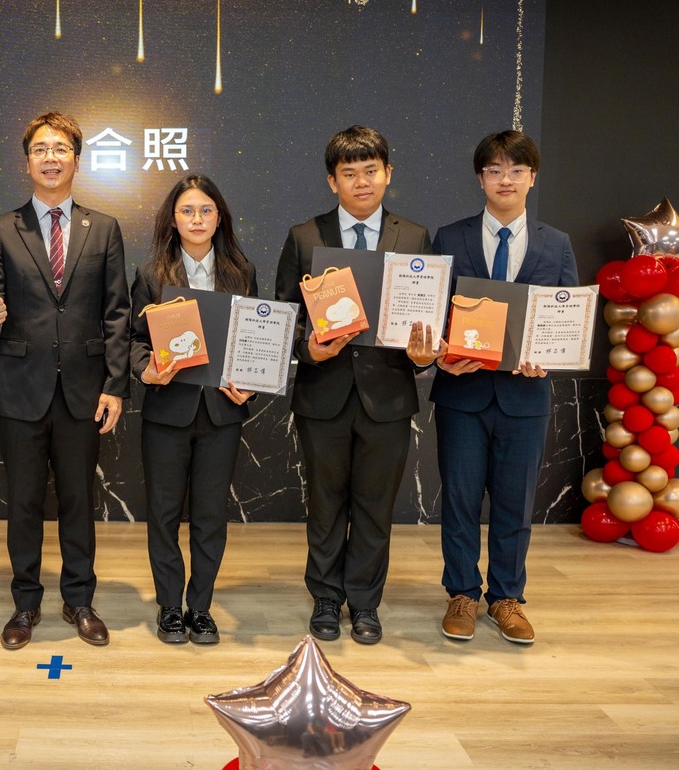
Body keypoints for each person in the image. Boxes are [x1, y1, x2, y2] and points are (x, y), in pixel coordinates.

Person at [0, 112, 131, 650]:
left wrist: (115, 385)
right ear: (27, 161)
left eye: (60, 148)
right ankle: (25, 603)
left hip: (85, 390)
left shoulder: (103, 227)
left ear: (77, 160)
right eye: (40, 149)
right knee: (22, 501)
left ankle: (79, 599)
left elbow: (117, 313)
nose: (51, 157)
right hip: (21, 385)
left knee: (79, 500)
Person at [274, 125, 438, 645]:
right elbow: (286, 316)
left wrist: (423, 354)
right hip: (323, 392)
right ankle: (325, 597)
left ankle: (365, 603)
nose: (361, 182)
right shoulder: (305, 236)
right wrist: (308, 348)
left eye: (371, 171)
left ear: (388, 174)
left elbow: (426, 317)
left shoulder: (413, 237)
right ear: (332, 181)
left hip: (388, 395)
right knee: (325, 502)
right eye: (350, 173)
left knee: (375, 505)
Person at [432, 131, 577, 645]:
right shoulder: (449, 238)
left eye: (516, 170)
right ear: (480, 179)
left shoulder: (556, 243)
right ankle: (463, 594)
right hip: (461, 394)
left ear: (532, 178)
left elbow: (567, 320)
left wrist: (550, 359)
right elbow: (431, 313)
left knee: (516, 503)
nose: (506, 179)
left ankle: (508, 598)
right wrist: (443, 352)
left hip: (525, 396)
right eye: (495, 170)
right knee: (461, 500)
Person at [130, 175, 257, 645]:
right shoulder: (150, 275)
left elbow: (254, 344)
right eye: (187, 211)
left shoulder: (241, 272)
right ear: (173, 219)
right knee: (163, 514)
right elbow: (134, 342)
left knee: (210, 516)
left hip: (222, 413)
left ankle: (200, 608)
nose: (197, 219)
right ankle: (169, 607)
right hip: (167, 411)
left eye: (206, 210)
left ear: (219, 216)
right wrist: (148, 371)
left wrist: (251, 386)